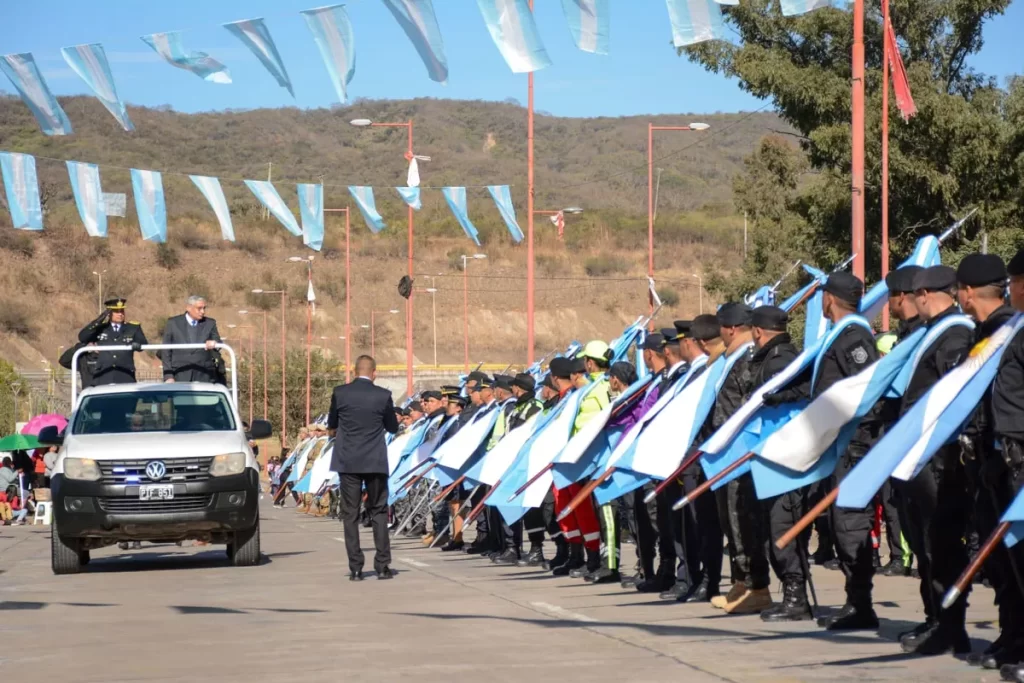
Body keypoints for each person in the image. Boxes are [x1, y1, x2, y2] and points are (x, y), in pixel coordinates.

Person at [964, 251, 1024, 673]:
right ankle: (1015, 636)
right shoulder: (1012, 330)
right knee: (1011, 559)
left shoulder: (1008, 328)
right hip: (1004, 458)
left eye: (1015, 281)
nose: (1011, 289)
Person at [751, 306, 813, 622]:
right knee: (778, 527)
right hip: (777, 457)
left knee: (784, 527)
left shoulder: (780, 361)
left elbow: (805, 393)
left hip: (786, 458)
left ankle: (796, 597)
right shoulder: (781, 356)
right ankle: (791, 594)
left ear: (759, 332)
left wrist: (780, 397)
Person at [328, 355, 399, 580]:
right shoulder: (383, 395)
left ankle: (356, 567)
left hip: (348, 460)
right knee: (378, 510)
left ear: (353, 371)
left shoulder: (340, 393)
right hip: (375, 460)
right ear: (374, 372)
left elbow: (332, 424)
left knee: (350, 514)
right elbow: (392, 427)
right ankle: (382, 565)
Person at [76, 297, 148, 386]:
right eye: (116, 311)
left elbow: (143, 343)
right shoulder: (100, 329)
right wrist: (99, 320)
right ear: (109, 314)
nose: (120, 314)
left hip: (125, 376)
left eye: (122, 311)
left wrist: (137, 344)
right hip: (103, 376)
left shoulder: (132, 328)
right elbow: (83, 337)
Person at [161, 295, 222, 383]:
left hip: (204, 374)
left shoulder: (210, 323)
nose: (203, 311)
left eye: (204, 308)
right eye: (199, 308)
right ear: (189, 308)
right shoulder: (173, 323)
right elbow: (165, 351)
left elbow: (218, 342)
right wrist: (168, 376)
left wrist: (214, 342)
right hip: (180, 373)